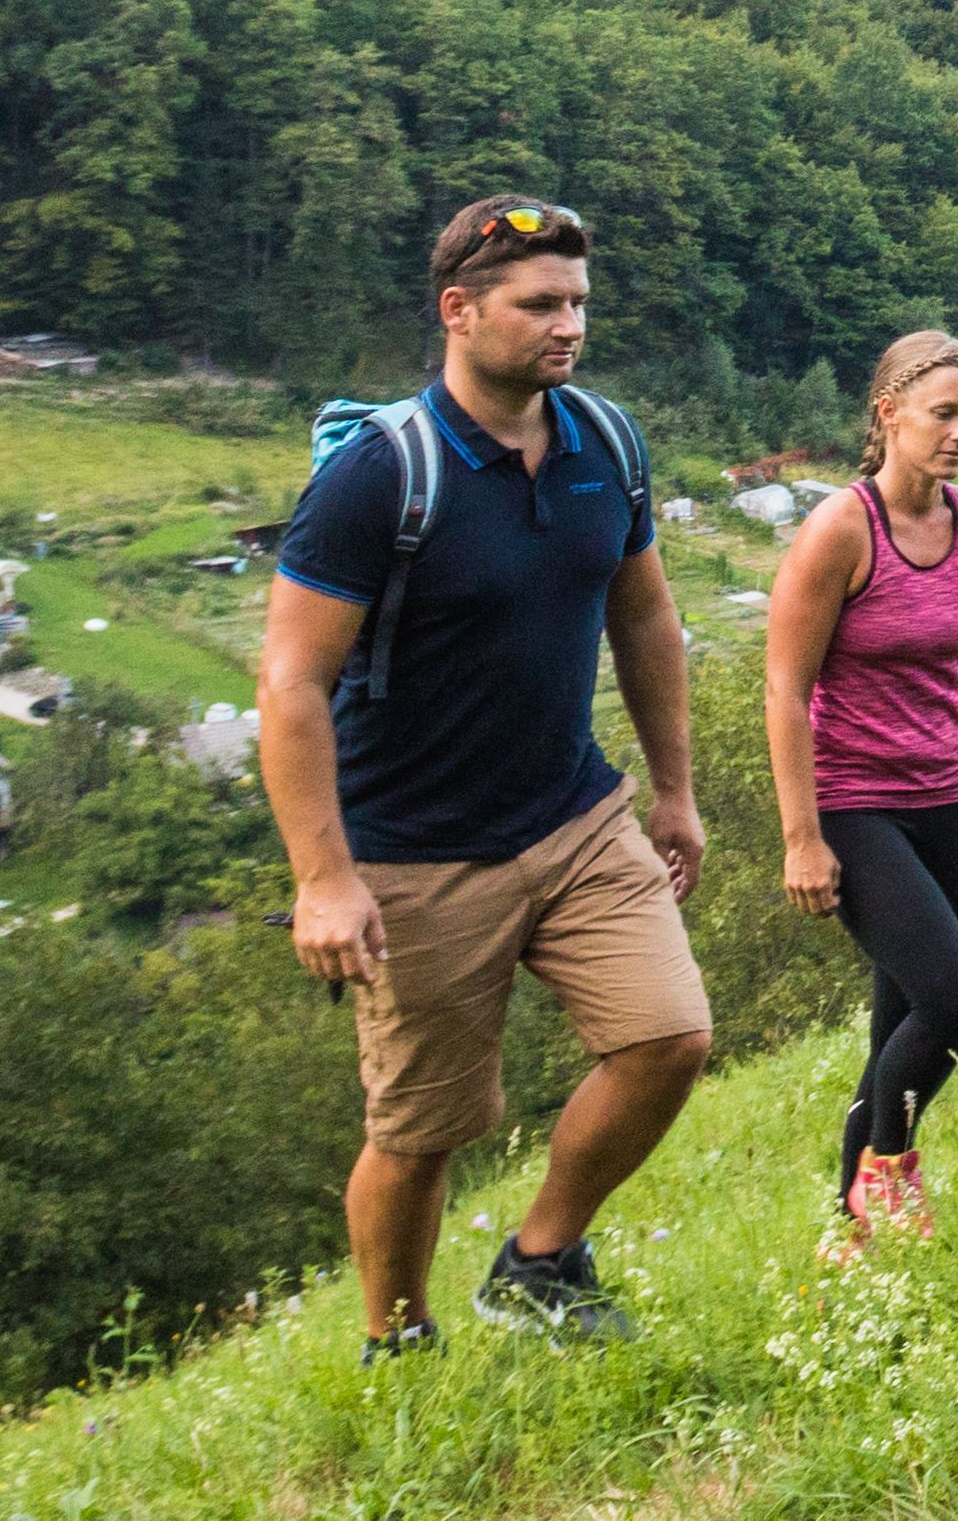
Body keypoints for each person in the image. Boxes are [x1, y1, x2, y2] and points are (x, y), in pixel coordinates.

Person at [261, 196, 710, 1360]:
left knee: (669, 1037)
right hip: (411, 853)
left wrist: (675, 791)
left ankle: (540, 1259)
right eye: (540, 305)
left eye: (578, 304)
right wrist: (323, 879)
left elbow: (647, 619)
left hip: (573, 817)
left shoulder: (606, 442)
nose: (568, 327)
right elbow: (290, 684)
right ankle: (396, 1342)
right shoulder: (379, 477)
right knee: (422, 1129)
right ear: (459, 311)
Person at [763, 330, 958, 1253]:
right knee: (954, 997)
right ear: (888, 412)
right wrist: (800, 836)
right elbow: (784, 686)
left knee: (899, 1017)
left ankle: (849, 1234)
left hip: (944, 798)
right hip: (854, 805)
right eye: (945, 413)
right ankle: (888, 1170)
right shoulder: (840, 531)